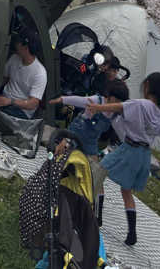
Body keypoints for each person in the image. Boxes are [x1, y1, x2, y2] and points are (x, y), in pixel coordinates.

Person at [84, 72, 160, 246]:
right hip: (144, 156)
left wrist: (98, 108)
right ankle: (132, 233)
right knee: (126, 191)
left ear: (148, 87)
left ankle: (96, 216)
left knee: (98, 172)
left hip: (130, 149)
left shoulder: (140, 104)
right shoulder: (159, 114)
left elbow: (117, 108)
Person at [50, 79, 130, 225]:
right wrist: (61, 99)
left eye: (120, 102)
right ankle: (49, 188)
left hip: (90, 143)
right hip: (75, 134)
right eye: (116, 100)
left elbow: (122, 132)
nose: (116, 104)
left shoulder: (113, 115)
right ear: (109, 96)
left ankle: (97, 214)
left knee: (96, 176)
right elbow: (78, 100)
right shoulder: (96, 100)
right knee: (59, 158)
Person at [0, 32, 48, 119]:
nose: (15, 45)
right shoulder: (14, 58)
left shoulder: (40, 73)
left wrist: (10, 101)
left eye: (18, 43)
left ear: (25, 48)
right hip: (4, 98)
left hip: (20, 110)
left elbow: (33, 104)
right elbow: (4, 78)